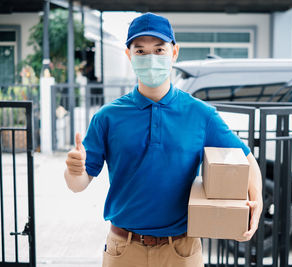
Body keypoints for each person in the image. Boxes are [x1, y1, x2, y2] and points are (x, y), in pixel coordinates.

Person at [64, 12, 263, 267]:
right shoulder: (108, 117)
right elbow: (78, 184)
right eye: (141, 51)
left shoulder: (201, 115)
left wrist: (255, 201)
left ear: (174, 52)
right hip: (123, 249)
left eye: (159, 50)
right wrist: (74, 170)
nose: (151, 58)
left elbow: (246, 159)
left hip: (181, 250)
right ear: (129, 55)